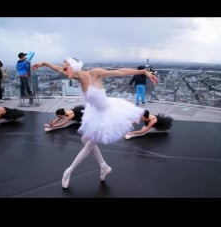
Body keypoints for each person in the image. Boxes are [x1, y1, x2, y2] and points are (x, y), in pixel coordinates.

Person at [32, 57, 158, 189]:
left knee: (89, 143)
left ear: (74, 67)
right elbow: (57, 69)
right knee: (84, 139)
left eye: (65, 68)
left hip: (107, 113)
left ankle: (68, 171)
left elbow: (121, 72)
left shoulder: (94, 74)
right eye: (63, 69)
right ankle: (103, 166)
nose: (63, 71)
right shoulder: (76, 77)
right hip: (94, 112)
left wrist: (144, 72)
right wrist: (44, 63)